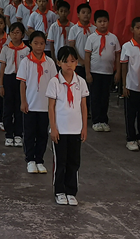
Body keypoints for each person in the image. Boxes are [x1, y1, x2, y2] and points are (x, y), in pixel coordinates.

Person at [47, 45, 88, 206]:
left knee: (74, 161)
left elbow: (83, 106)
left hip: (75, 129)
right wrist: (53, 128)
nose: (69, 65)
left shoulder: (81, 82)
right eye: (65, 61)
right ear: (58, 63)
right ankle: (59, 191)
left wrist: (84, 127)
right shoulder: (54, 82)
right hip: (61, 129)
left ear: (76, 62)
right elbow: (51, 107)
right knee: (60, 162)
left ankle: (71, 191)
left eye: (72, 61)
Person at [18, 30, 56, 174]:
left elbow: (54, 83)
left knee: (42, 134)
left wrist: (53, 104)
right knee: (29, 133)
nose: (39, 46)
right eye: (36, 43)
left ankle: (39, 159)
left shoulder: (50, 62)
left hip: (45, 106)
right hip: (31, 104)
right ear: (30, 44)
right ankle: (30, 160)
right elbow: (22, 83)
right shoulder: (26, 62)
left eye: (41, 43)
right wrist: (23, 101)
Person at [120, 17, 140, 152]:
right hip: (132, 86)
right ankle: (131, 138)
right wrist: (124, 85)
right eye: (138, 28)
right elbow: (124, 66)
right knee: (130, 114)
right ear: (132, 29)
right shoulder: (127, 47)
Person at [84, 10, 120, 132]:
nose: (102, 24)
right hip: (95, 72)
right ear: (95, 23)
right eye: (100, 21)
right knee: (95, 97)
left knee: (105, 97)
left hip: (108, 73)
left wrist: (118, 72)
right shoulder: (91, 38)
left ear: (108, 22)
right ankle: (96, 120)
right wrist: (88, 73)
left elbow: (118, 56)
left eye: (105, 21)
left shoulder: (113, 38)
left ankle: (104, 120)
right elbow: (87, 56)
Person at [0, 21, 31, 147]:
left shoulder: (27, 50)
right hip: (9, 79)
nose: (15, 35)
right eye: (12, 32)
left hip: (21, 80)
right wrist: (1, 85)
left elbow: (28, 69)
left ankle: (18, 134)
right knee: (8, 108)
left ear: (22, 35)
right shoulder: (6, 49)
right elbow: (2, 68)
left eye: (18, 32)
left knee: (20, 107)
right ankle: (9, 134)